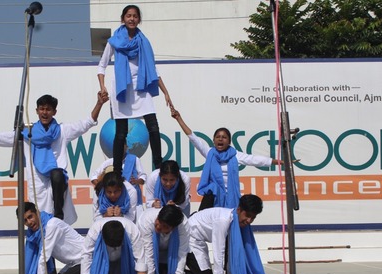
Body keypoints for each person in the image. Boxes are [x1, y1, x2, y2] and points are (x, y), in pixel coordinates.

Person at [0, 92, 109, 224]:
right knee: (38, 226)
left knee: (57, 177)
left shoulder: (62, 130)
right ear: (36, 111)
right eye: (42, 109)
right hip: (37, 184)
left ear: (54, 112)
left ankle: (58, 215)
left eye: (48, 109)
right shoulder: (27, 133)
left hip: (57, 185)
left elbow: (87, 123)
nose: (44, 112)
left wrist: (99, 103)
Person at [98, 4, 173, 176]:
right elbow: (101, 66)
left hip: (141, 87)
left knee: (153, 127)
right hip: (122, 88)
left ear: (139, 19)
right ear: (123, 19)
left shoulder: (143, 41)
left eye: (135, 16)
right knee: (121, 132)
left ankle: (159, 167)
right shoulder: (114, 41)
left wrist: (166, 92)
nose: (132, 19)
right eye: (128, 16)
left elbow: (153, 69)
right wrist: (102, 87)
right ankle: (117, 171)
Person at [170, 107, 282, 210]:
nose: (220, 139)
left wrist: (277, 162)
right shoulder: (210, 153)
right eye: (218, 137)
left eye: (224, 137)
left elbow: (254, 160)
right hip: (213, 196)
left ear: (229, 141)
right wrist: (179, 119)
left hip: (231, 197)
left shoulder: (235, 155)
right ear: (213, 140)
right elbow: (193, 138)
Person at [187, 194, 286, 274]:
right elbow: (218, 250)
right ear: (239, 210)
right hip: (189, 240)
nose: (249, 221)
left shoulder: (235, 222)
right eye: (247, 216)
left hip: (199, 243)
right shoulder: (223, 220)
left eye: (253, 218)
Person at [20, 202, 83, 274]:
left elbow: (44, 257)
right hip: (73, 263)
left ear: (37, 212)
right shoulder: (34, 234)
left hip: (84, 260)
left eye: (30, 217)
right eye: (25, 220)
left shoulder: (52, 225)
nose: (29, 222)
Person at [76, 218, 147, 274]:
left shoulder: (132, 229)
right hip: (102, 261)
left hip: (124, 261)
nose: (114, 248)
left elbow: (140, 256)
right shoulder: (95, 230)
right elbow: (86, 255)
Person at [137, 205, 189, 274]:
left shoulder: (183, 225)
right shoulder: (146, 220)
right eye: (158, 221)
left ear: (173, 228)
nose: (158, 227)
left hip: (171, 258)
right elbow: (148, 252)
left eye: (164, 226)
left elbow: (182, 253)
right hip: (149, 258)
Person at [90, 143, 147, 214]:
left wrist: (136, 181)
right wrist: (103, 186)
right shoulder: (108, 162)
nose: (120, 147)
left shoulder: (134, 160)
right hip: (111, 202)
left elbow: (143, 177)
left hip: (133, 201)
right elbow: (93, 177)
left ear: (126, 146)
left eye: (122, 145)